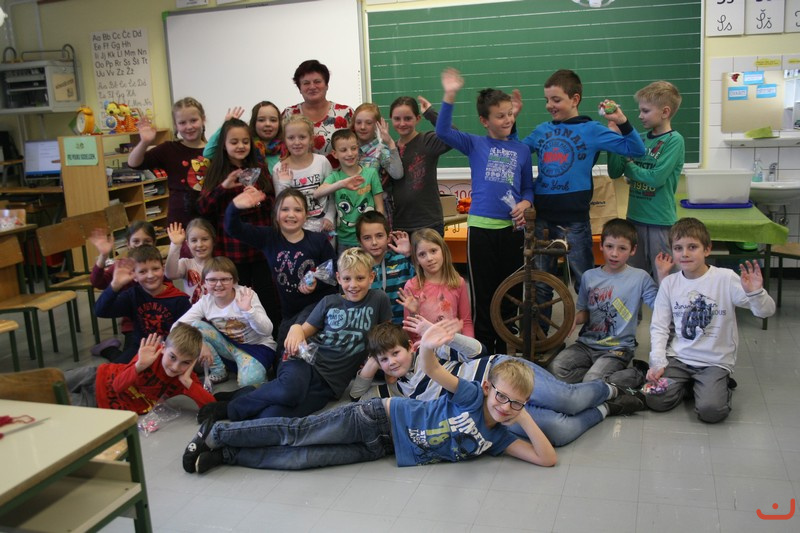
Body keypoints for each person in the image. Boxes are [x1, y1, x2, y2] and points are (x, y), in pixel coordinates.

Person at [182, 319, 557, 474]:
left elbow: (547, 458)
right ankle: (217, 433)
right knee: (297, 434)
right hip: (377, 418)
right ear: (489, 389)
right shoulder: (473, 396)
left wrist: (522, 415)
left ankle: (227, 455)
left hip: (385, 447)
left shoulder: (499, 437)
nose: (506, 407)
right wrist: (427, 345)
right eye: (503, 398)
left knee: (303, 459)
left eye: (515, 403)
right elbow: (434, 369)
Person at [350, 317, 646, 447]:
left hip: (500, 371)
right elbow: (356, 396)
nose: (392, 362)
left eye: (395, 353)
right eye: (384, 359)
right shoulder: (396, 389)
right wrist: (372, 363)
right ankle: (609, 408)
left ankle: (612, 389)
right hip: (491, 411)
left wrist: (447, 337)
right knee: (559, 431)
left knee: (567, 400)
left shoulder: (432, 351)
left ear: (410, 347)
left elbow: (478, 351)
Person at [196, 248, 391, 424]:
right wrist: (296, 328)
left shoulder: (378, 299)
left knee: (272, 415)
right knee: (289, 392)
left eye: (360, 278)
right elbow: (303, 331)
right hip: (304, 360)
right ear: (339, 278)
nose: (353, 285)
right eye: (347, 279)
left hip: (331, 384)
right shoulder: (329, 302)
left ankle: (248, 393)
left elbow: (385, 339)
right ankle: (228, 409)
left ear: (371, 277)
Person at [516, 69, 646, 329]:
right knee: (541, 284)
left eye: (556, 99)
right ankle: (540, 340)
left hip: (574, 221)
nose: (549, 105)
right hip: (542, 219)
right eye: (547, 100)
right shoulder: (542, 130)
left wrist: (621, 121)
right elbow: (515, 153)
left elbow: (636, 149)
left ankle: (595, 335)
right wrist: (512, 119)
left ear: (575, 99)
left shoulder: (592, 130)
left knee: (586, 282)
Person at [434, 68, 533, 353]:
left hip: (513, 231)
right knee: (484, 294)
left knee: (511, 292)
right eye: (500, 116)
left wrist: (526, 203)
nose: (507, 120)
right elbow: (442, 131)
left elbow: (528, 188)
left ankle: (507, 346)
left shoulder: (522, 150)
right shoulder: (475, 143)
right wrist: (450, 95)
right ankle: (485, 350)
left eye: (510, 114)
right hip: (480, 231)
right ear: (484, 121)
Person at [645, 218, 775, 423]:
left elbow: (765, 312)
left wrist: (756, 293)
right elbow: (659, 326)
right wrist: (658, 362)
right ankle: (693, 386)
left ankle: (716, 386)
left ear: (707, 249)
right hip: (679, 359)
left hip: (714, 362)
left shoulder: (725, 278)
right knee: (654, 399)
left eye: (692, 247)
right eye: (678, 248)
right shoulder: (669, 283)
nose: (684, 253)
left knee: (711, 411)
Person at [548, 219, 661, 389]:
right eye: (609, 246)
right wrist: (574, 319)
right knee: (556, 369)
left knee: (592, 381)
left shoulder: (640, 277)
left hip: (618, 348)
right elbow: (586, 312)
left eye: (622, 248)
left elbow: (660, 308)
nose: (614, 254)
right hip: (586, 344)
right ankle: (599, 380)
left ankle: (637, 373)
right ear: (601, 246)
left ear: (633, 250)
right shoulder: (589, 276)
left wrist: (662, 273)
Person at [224, 187, 338, 352]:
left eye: (297, 210)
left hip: (318, 308)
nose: (291, 214)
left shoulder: (318, 240)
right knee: (281, 356)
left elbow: (333, 271)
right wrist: (234, 206)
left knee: (297, 348)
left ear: (306, 215)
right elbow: (233, 228)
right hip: (290, 313)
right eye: (285, 209)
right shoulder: (269, 238)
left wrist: (316, 282)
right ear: (276, 214)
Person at [197, 118, 279, 326]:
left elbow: (273, 203)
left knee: (267, 296)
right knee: (235, 296)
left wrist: (258, 198)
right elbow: (204, 208)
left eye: (245, 141)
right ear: (224, 145)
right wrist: (223, 187)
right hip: (231, 248)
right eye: (234, 142)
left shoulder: (259, 168)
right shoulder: (216, 171)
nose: (240, 146)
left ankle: (273, 335)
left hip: (260, 247)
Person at [608, 81, 685, 278]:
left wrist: (630, 166)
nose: (640, 116)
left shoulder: (674, 140)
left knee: (664, 277)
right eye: (640, 110)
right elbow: (615, 172)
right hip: (634, 220)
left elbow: (656, 178)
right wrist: (615, 141)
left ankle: (665, 302)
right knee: (635, 277)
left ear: (665, 112)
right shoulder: (639, 138)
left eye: (646, 111)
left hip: (660, 221)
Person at [65, 325, 213, 414]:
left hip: (99, 403)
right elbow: (118, 385)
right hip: (97, 375)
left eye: (185, 362)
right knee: (52, 380)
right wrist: (139, 365)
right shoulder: (151, 353)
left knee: (54, 404)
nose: (175, 367)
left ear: (193, 362)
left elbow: (211, 406)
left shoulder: (186, 379)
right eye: (172, 357)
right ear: (163, 348)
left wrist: (187, 382)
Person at [175, 257, 276, 387]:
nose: (218, 284)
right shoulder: (205, 302)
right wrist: (200, 343)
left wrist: (248, 311)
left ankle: (249, 369)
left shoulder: (246, 295)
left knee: (249, 384)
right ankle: (219, 370)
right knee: (195, 327)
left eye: (224, 279)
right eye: (212, 280)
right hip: (229, 348)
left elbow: (267, 330)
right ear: (204, 283)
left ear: (234, 281)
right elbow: (177, 327)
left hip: (258, 348)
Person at [95, 245, 191, 364]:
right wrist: (114, 285)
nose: (150, 275)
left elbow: (187, 335)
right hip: (139, 349)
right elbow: (100, 311)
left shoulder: (179, 299)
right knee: (115, 372)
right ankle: (109, 350)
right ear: (134, 276)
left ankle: (109, 350)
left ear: (163, 269)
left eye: (155, 269)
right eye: (142, 271)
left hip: (169, 351)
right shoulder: (132, 295)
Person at [127, 97, 209, 227]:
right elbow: (134, 163)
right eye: (182, 123)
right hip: (179, 224)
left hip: (209, 220)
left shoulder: (213, 150)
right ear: (176, 125)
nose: (189, 127)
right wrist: (144, 142)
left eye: (193, 120)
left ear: (203, 120)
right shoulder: (169, 149)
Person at [87, 220, 157, 358]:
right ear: (128, 244)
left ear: (154, 243)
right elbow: (97, 282)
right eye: (136, 241)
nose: (141, 245)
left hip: (157, 323)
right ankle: (108, 349)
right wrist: (103, 255)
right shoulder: (122, 267)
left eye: (147, 241)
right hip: (133, 325)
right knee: (130, 362)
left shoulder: (157, 265)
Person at [313, 128, 384, 253]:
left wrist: (380, 232)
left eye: (353, 148)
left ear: (358, 148)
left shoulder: (371, 174)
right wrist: (342, 184)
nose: (350, 154)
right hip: (345, 240)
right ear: (335, 154)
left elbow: (379, 207)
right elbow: (317, 193)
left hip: (369, 238)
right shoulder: (335, 177)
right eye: (343, 150)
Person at [389, 96, 452, 235]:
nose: (402, 123)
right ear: (391, 119)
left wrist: (430, 113)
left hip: (428, 223)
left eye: (408, 118)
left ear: (417, 119)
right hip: (400, 225)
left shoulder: (427, 141)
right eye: (397, 119)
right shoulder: (390, 150)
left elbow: (453, 135)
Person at [399, 228, 473, 339]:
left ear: (443, 251)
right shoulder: (412, 286)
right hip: (424, 345)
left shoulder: (458, 282)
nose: (429, 258)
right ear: (417, 260)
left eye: (433, 251)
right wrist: (413, 313)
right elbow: (410, 333)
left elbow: (466, 322)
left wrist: (470, 345)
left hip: (453, 344)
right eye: (422, 254)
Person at [282, 59, 354, 168]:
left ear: (326, 85)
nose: (312, 87)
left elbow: (360, 147)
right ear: (300, 88)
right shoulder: (289, 114)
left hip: (342, 177)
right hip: (300, 177)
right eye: (306, 83)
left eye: (317, 82)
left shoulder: (345, 113)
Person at [272, 115, 335, 234]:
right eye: (291, 138)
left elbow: (332, 195)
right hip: (295, 231)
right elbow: (280, 204)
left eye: (302, 137)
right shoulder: (279, 168)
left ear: (311, 139)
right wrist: (284, 183)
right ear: (285, 140)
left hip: (324, 227)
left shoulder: (322, 162)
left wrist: (330, 217)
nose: (297, 142)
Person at [357, 211, 414, 324]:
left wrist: (409, 255)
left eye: (379, 236)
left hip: (401, 328)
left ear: (388, 237)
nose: (374, 242)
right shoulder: (357, 268)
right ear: (360, 241)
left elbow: (425, 279)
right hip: (371, 330)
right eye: (367, 238)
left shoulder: (402, 261)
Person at [351, 102, 403, 226]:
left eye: (368, 123)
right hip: (353, 210)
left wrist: (390, 142)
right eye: (358, 122)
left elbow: (398, 174)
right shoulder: (349, 149)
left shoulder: (380, 151)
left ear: (377, 125)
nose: (362, 127)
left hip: (376, 211)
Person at [204, 101, 286, 171]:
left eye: (273, 120)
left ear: (279, 123)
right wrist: (225, 126)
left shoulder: (286, 148)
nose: (267, 124)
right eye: (261, 120)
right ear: (254, 123)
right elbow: (208, 153)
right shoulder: (246, 147)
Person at [164, 218, 216, 303]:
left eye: (205, 239)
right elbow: (170, 274)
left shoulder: (220, 264)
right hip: (193, 310)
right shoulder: (186, 263)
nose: (199, 244)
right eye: (194, 240)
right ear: (187, 244)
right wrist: (175, 245)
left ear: (213, 241)